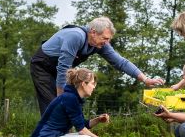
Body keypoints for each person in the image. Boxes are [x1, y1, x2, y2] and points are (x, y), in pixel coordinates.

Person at [30, 16, 164, 109]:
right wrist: (61, 98)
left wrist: (145, 79)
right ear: (93, 32)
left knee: (70, 106)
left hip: (61, 72)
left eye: (109, 39)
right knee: (53, 106)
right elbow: (63, 68)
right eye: (105, 38)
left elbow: (121, 62)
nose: (107, 42)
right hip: (43, 67)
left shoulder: (100, 44)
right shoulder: (75, 36)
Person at [30, 67, 109, 137]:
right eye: (92, 83)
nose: (94, 87)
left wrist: (98, 119)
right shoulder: (70, 98)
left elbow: (83, 124)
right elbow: (81, 130)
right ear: (84, 84)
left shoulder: (72, 97)